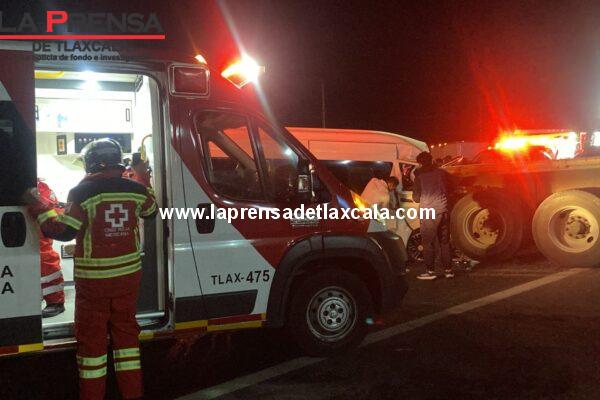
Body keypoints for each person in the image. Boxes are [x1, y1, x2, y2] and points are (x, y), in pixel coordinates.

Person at [27, 139, 157, 400]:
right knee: (127, 340)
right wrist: (142, 175)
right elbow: (151, 211)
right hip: (128, 278)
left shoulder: (82, 192)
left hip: (94, 282)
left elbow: (63, 231)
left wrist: (38, 205)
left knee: (92, 347)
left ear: (91, 163)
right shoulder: (137, 190)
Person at [413, 151, 456, 280]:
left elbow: (416, 198)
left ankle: (430, 271)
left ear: (420, 163)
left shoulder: (419, 176)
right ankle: (448, 271)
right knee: (444, 242)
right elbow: (452, 185)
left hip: (429, 211)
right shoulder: (441, 173)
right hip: (443, 209)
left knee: (428, 242)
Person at [37, 178, 66, 318]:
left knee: (45, 262)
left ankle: (56, 302)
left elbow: (49, 207)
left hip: (36, 230)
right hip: (20, 227)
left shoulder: (39, 186)